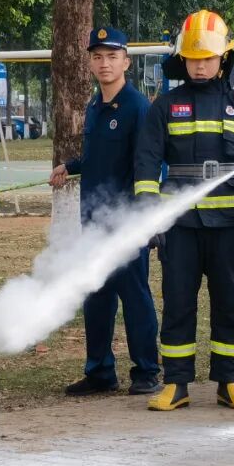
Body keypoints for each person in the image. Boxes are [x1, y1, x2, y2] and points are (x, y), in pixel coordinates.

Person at [133, 9, 234, 412]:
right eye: (194, 58)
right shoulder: (165, 106)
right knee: (178, 304)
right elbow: (146, 165)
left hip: (230, 229)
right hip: (180, 227)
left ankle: (230, 382)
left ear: (223, 59)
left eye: (208, 58)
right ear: (183, 59)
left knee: (229, 303)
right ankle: (176, 384)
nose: (200, 65)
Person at [49, 26, 161, 397]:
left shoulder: (139, 107)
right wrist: (72, 165)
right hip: (94, 222)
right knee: (96, 296)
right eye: (97, 57)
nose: (104, 63)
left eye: (112, 56)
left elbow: (147, 164)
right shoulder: (95, 106)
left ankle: (146, 371)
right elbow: (102, 157)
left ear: (126, 61)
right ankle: (99, 371)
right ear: (90, 63)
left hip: (126, 223)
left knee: (134, 297)